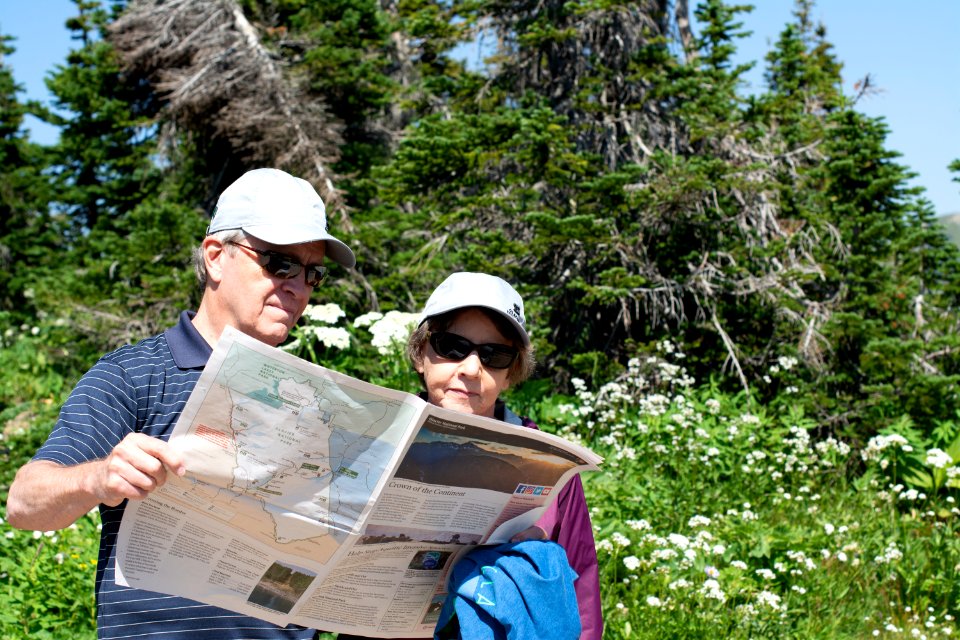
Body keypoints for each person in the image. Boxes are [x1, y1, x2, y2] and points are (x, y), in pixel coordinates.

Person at [5, 168, 356, 640]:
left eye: (313, 273)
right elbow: (25, 503)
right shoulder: (132, 374)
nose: (299, 288)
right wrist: (98, 476)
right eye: (280, 264)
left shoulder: (320, 398)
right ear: (215, 257)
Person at [341, 272, 603, 640]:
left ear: (511, 374)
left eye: (494, 355)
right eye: (451, 347)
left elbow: (581, 582)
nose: (470, 368)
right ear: (421, 355)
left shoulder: (549, 462)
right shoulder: (373, 440)